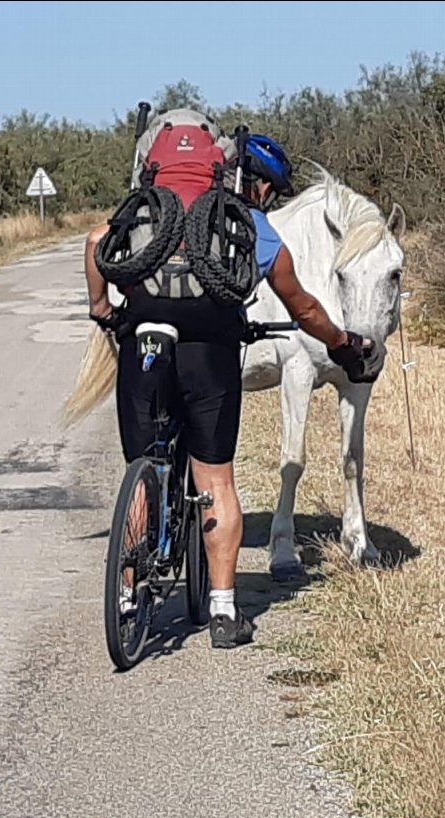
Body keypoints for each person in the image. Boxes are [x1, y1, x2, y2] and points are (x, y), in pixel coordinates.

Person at [83, 132, 378, 649]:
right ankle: (222, 611)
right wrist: (343, 341)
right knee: (216, 479)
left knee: (143, 468)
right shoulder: (246, 226)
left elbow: (93, 243)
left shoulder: (142, 213)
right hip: (209, 354)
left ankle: (129, 597)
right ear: (241, 181)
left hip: (144, 347)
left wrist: (103, 310)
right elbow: (303, 308)